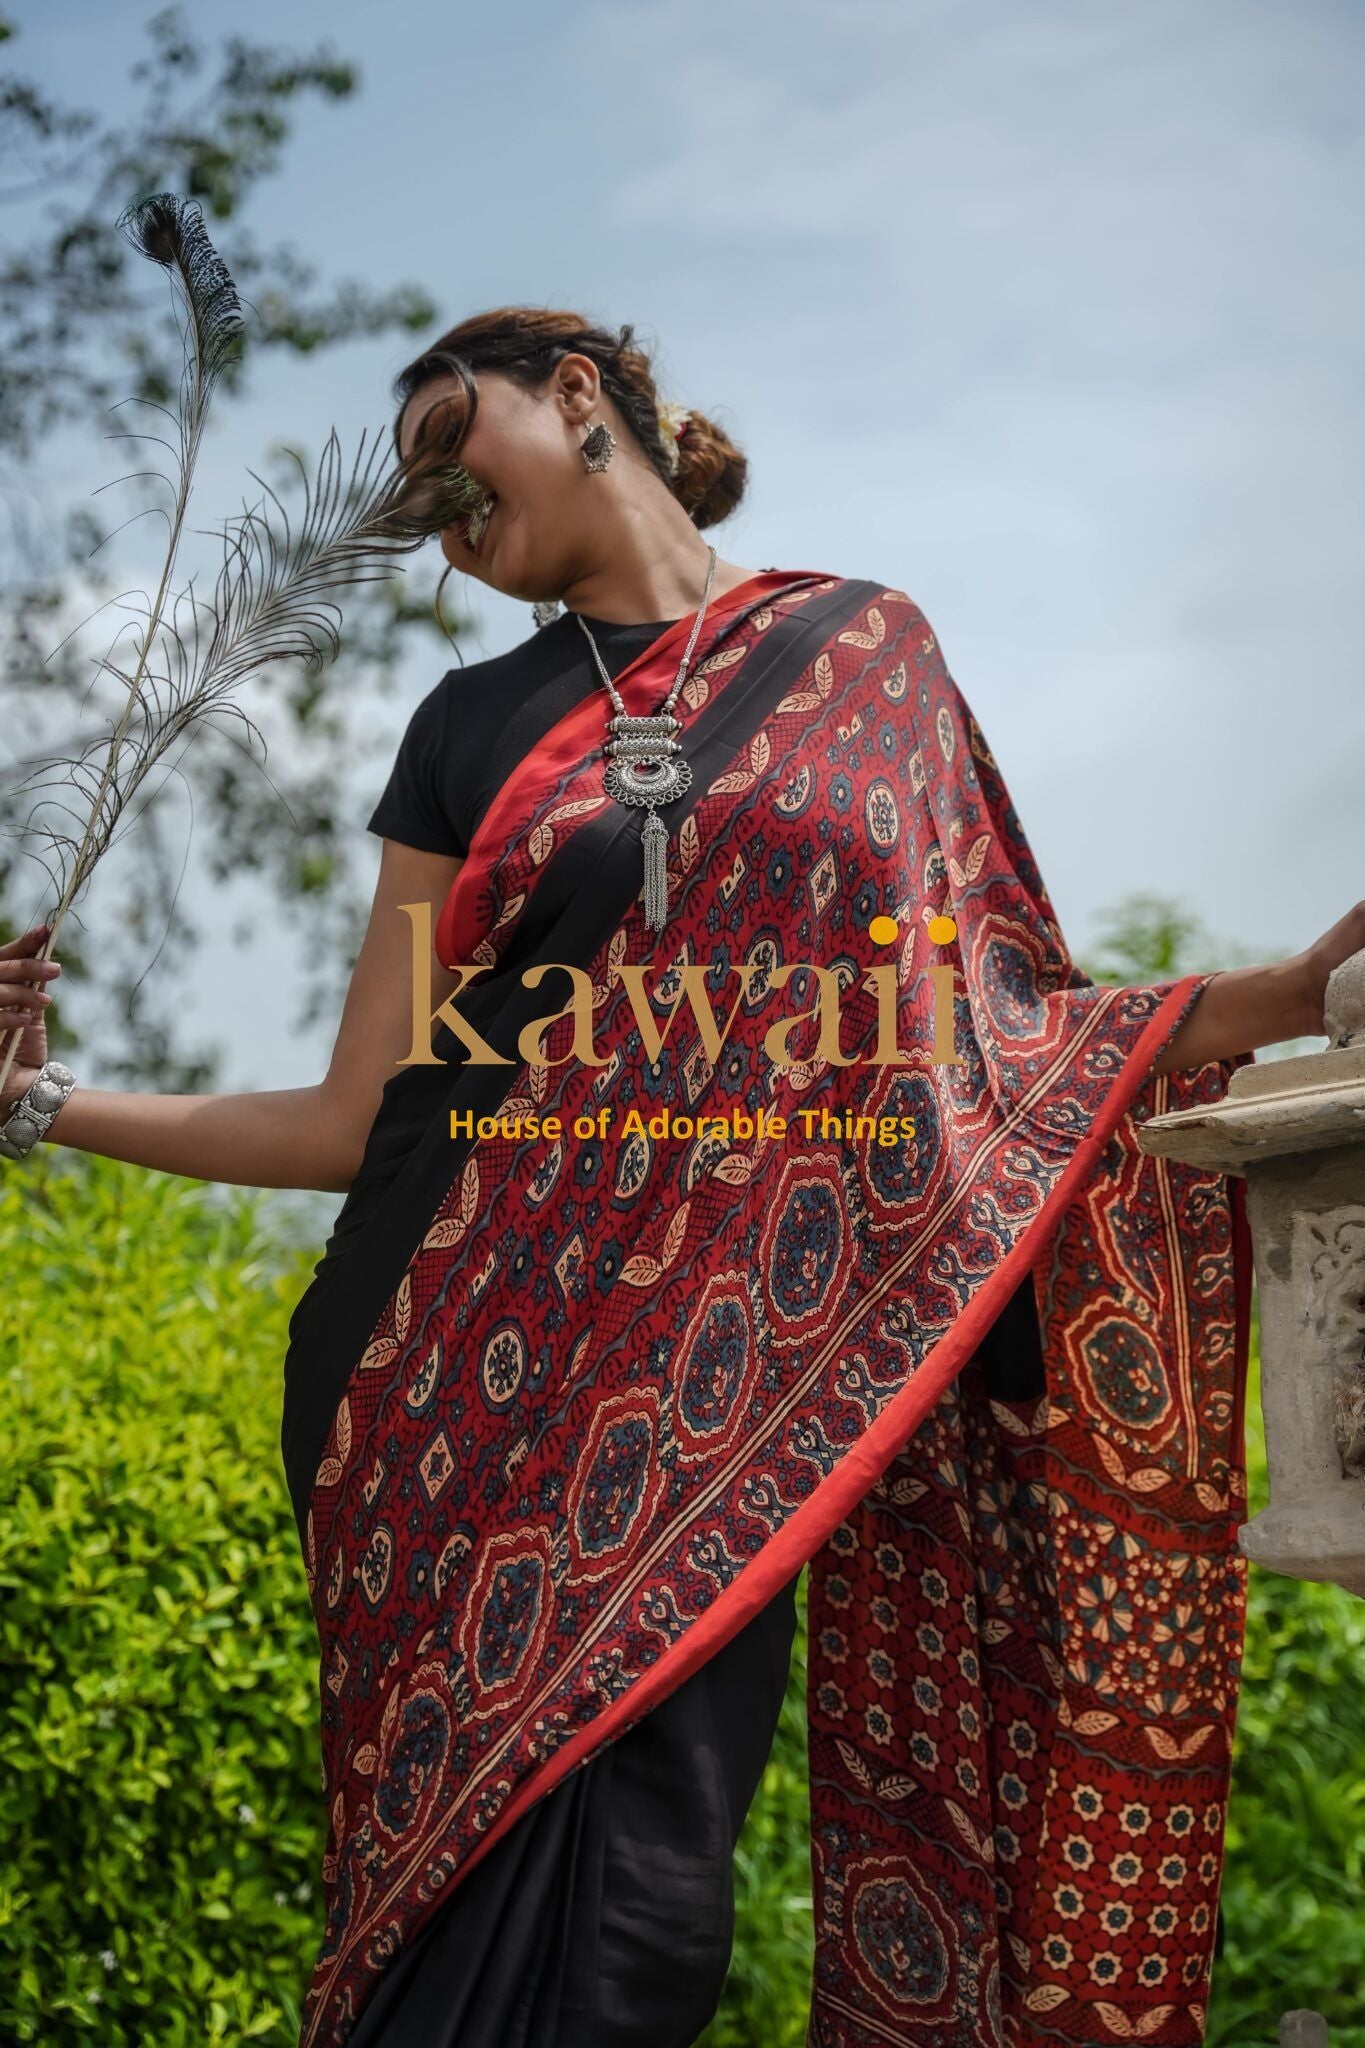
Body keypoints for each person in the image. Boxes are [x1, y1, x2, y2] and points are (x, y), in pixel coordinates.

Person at [1, 305, 1360, 2048]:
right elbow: (353, 1121)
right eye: (408, 493)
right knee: (457, 1920)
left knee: (642, 1920)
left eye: (444, 443)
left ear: (575, 395)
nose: (429, 505)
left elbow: (993, 1027)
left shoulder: (862, 651)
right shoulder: (465, 727)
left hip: (716, 1394)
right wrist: (37, 1103)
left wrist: (1280, 996)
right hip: (433, 1393)